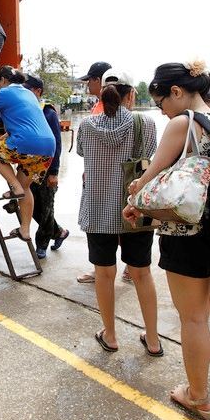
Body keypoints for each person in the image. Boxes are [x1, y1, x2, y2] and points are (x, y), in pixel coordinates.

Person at [123, 61, 210, 420]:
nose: (162, 110)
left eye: (161, 101)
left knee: (193, 317)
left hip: (187, 234)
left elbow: (149, 179)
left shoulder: (183, 124)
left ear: (177, 93)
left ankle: (198, 397)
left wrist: (133, 198)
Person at [77, 69, 161, 356]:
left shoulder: (87, 126)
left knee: (104, 273)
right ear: (131, 94)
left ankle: (110, 335)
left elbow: (83, 156)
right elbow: (152, 162)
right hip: (134, 209)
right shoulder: (146, 124)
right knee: (141, 273)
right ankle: (153, 340)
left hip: (98, 209)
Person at [0, 66, 56, 245]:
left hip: (27, 143)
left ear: (2, 80)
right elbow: (23, 124)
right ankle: (25, 230)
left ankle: (14, 186)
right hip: (47, 147)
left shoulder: (3, 93)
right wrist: (0, 138)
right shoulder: (29, 94)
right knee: (25, 189)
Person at [76, 62, 131, 284]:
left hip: (100, 189)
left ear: (100, 82)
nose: (88, 84)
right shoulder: (139, 120)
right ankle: (127, 268)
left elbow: (82, 151)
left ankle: (103, 269)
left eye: (90, 80)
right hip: (126, 189)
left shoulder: (96, 114)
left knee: (107, 232)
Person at [23, 75, 68, 258]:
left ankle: (41, 243)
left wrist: (54, 172)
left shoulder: (47, 112)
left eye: (28, 90)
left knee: (47, 207)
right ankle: (59, 232)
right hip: (31, 168)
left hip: (47, 168)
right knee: (32, 205)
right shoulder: (27, 110)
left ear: (38, 91)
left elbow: (56, 143)